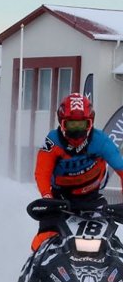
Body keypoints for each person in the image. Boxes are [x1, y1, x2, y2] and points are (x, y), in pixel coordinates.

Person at [30, 92, 123, 252]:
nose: (77, 132)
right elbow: (42, 172)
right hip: (59, 200)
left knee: (111, 241)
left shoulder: (101, 141)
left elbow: (121, 168)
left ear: (90, 123)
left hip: (92, 199)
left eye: (82, 125)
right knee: (43, 239)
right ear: (61, 123)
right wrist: (47, 197)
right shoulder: (53, 141)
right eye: (71, 125)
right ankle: (31, 272)